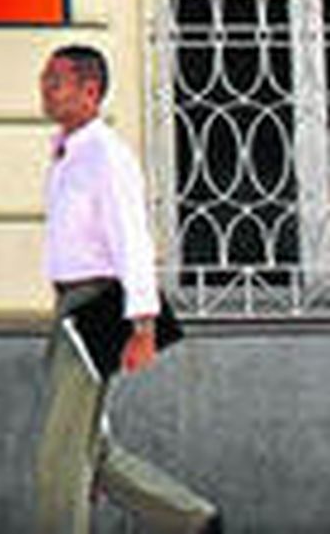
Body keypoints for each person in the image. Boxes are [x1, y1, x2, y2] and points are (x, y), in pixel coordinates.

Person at [34, 44, 221, 533]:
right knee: (88, 443)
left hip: (96, 304)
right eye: (45, 80)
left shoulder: (105, 157)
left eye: (56, 81)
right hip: (71, 307)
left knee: (61, 447)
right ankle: (191, 519)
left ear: (90, 91)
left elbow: (133, 241)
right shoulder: (67, 152)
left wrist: (143, 325)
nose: (45, 90)